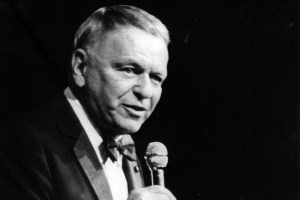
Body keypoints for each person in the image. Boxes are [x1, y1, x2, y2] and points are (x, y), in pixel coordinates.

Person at [0, 5, 176, 200]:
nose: (145, 91)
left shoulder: (126, 147)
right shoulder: (23, 142)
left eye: (156, 78)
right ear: (80, 67)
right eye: (129, 69)